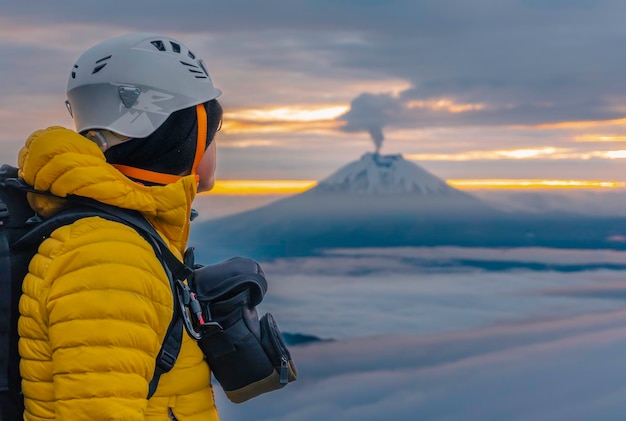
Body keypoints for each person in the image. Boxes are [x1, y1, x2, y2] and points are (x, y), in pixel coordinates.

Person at [17, 33, 222, 420]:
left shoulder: (120, 238)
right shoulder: (111, 258)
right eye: (211, 132)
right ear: (179, 134)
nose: (214, 145)